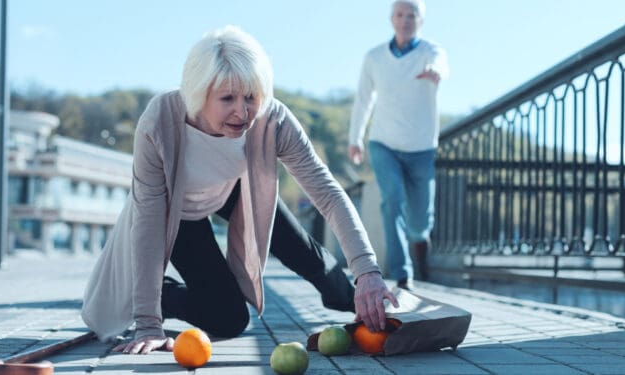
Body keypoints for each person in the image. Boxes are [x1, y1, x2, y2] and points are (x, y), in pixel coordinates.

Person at [81, 25, 398, 355]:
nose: (242, 111)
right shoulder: (160, 121)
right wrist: (148, 321)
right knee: (228, 319)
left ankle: (362, 302)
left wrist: (367, 272)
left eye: (250, 97)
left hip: (234, 189)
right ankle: (160, 294)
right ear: (199, 93)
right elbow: (148, 222)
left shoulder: (272, 119)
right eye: (227, 99)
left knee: (305, 252)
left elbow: (328, 194)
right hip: (177, 210)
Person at [348, 0, 449, 290]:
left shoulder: (431, 52)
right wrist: (355, 138)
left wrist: (436, 72)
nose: (406, 20)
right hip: (384, 143)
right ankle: (402, 275)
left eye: (412, 15)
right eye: (400, 15)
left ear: (421, 20)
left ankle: (420, 243)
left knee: (419, 222)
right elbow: (364, 99)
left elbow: (441, 65)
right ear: (392, 19)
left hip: (421, 147)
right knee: (391, 201)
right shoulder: (375, 57)